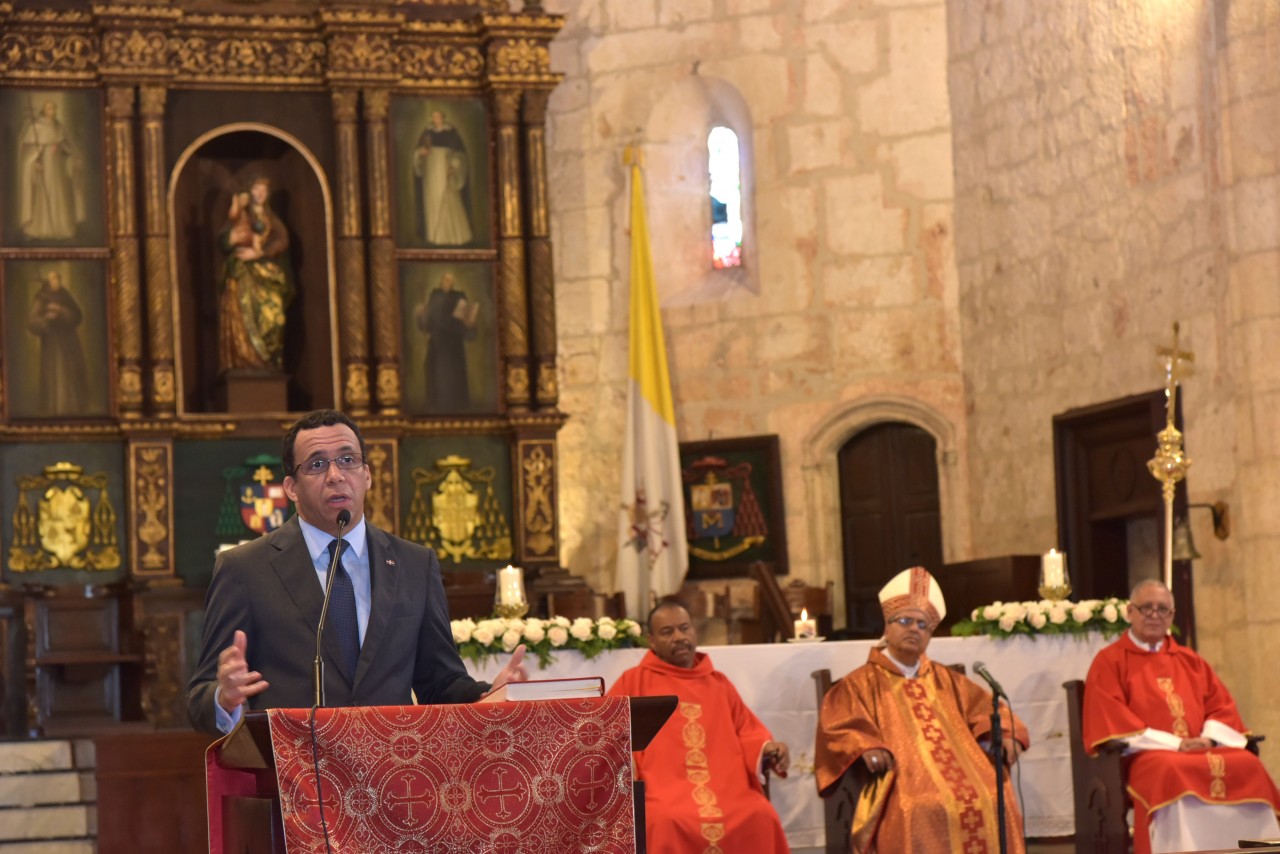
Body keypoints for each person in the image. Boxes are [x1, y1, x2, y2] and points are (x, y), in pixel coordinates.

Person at [186, 409, 525, 736]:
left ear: (367, 475)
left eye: (348, 460)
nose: (335, 475)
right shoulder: (245, 569)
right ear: (291, 488)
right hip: (296, 770)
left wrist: (487, 697)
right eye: (317, 464)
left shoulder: (414, 564)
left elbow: (440, 680)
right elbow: (200, 700)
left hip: (392, 765)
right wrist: (223, 698)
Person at [815, 566, 1029, 854]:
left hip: (966, 773)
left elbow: (988, 709)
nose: (914, 629)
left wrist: (1007, 734)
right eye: (905, 621)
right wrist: (865, 746)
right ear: (887, 627)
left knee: (995, 793)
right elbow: (839, 726)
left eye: (922, 625)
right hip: (900, 778)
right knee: (914, 807)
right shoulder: (859, 683)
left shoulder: (947, 679)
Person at [1082, 579, 1280, 854]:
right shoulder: (1110, 661)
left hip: (1200, 748)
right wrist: (1176, 744)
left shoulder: (1190, 660)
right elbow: (1111, 718)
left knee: (1249, 765)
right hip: (1146, 754)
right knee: (1170, 770)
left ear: (1172, 615)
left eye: (1162, 609)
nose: (1154, 615)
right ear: (1130, 612)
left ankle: (1257, 849)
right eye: (1146, 607)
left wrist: (1209, 740)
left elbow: (1220, 706)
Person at [606, 601, 791, 853]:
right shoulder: (633, 681)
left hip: (726, 788)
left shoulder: (718, 683)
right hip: (662, 789)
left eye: (684, 628)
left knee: (760, 814)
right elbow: (610, 732)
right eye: (667, 632)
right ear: (651, 641)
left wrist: (767, 747)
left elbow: (748, 730)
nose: (679, 637)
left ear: (694, 631)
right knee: (662, 820)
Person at [217, 176, 296, 373]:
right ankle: (246, 358)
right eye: (256, 188)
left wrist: (262, 253)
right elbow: (224, 238)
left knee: (274, 314)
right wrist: (231, 238)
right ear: (250, 191)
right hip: (243, 272)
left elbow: (283, 240)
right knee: (245, 310)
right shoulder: (243, 214)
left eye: (264, 190)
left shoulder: (272, 219)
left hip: (267, 274)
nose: (260, 193)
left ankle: (269, 359)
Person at [25, 269, 89, 416]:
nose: (56, 281)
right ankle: (54, 410)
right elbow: (32, 321)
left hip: (69, 341)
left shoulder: (65, 295)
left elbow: (78, 316)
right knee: (55, 374)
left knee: (70, 374)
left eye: (57, 279)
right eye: (53, 279)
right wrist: (47, 319)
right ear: (48, 282)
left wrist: (61, 311)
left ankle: (73, 409)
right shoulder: (42, 297)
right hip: (52, 343)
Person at [18, 100, 84, 240]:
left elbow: (64, 146)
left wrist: (74, 156)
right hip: (44, 168)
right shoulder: (36, 127)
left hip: (57, 169)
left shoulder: (59, 127)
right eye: (49, 108)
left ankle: (60, 228)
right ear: (44, 111)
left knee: (59, 194)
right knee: (43, 194)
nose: (52, 111)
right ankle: (39, 228)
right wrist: (35, 163)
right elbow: (30, 153)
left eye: (54, 108)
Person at [414, 271, 478, 412]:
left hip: (453, 345)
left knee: (452, 375)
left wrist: (469, 323)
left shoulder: (459, 297)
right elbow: (427, 324)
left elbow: (464, 322)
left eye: (449, 281)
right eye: (444, 280)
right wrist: (421, 315)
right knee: (433, 371)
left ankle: (456, 405)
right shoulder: (435, 296)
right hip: (437, 343)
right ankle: (435, 404)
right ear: (441, 282)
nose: (446, 283)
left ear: (453, 283)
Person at [412, 109, 473, 246]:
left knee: (449, 198)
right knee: (432, 200)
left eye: (438, 117)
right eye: (434, 117)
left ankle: (452, 237)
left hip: (445, 167)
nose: (436, 119)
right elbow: (418, 152)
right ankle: (435, 236)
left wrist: (454, 165)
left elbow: (460, 154)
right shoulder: (427, 132)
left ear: (443, 118)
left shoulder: (451, 132)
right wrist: (421, 152)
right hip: (430, 171)